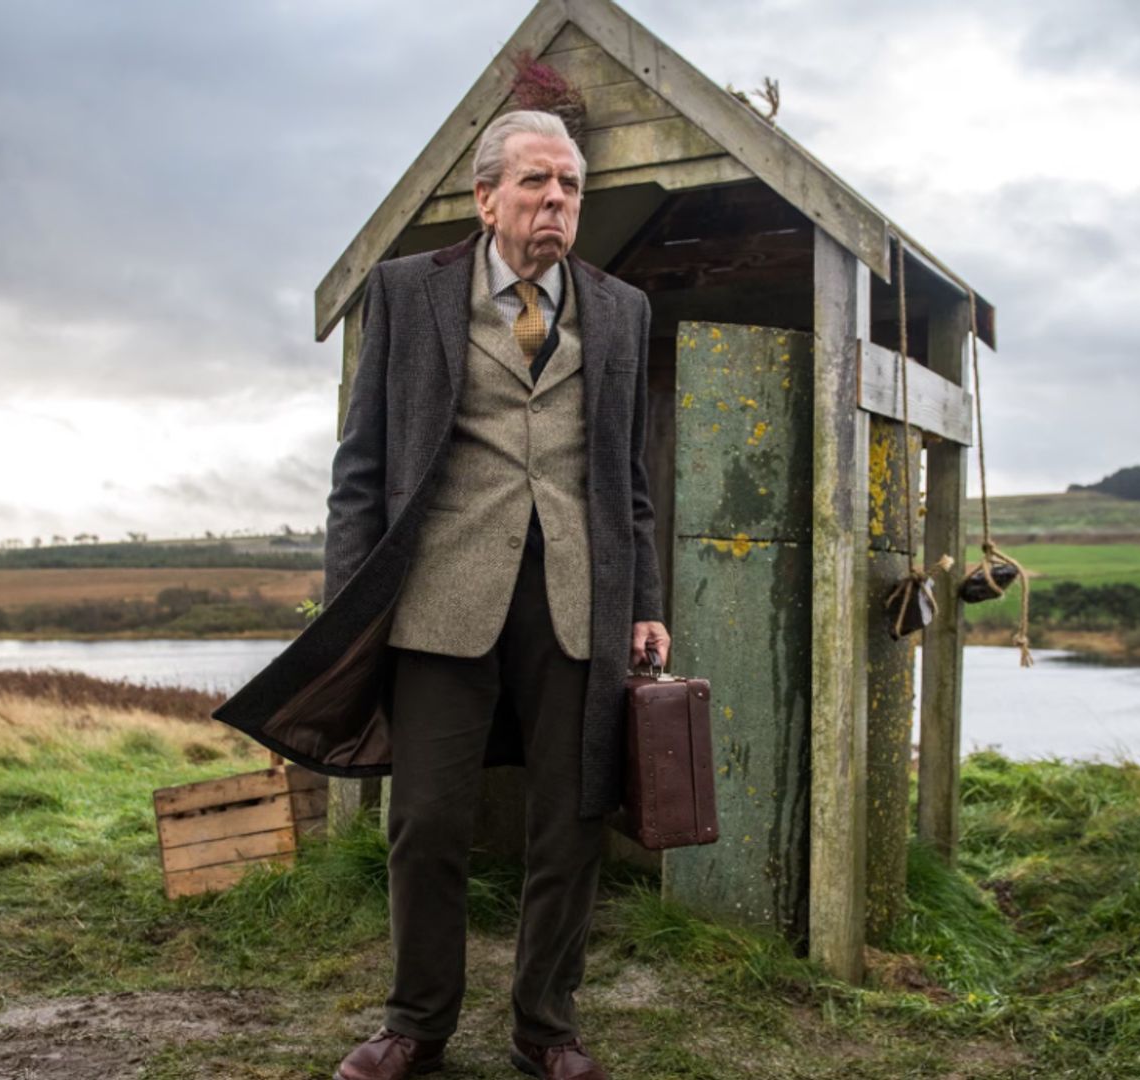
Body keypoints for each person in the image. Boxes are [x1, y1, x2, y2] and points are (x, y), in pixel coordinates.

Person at [321, 109, 670, 1080]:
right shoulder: (404, 294)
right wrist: (352, 607)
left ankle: (545, 1028)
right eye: (535, 183)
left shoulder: (621, 310)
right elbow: (361, 468)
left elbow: (629, 480)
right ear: (485, 198)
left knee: (572, 817)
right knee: (426, 818)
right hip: (439, 597)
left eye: (570, 187)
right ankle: (417, 1024)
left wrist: (644, 597)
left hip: (577, 598)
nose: (556, 200)